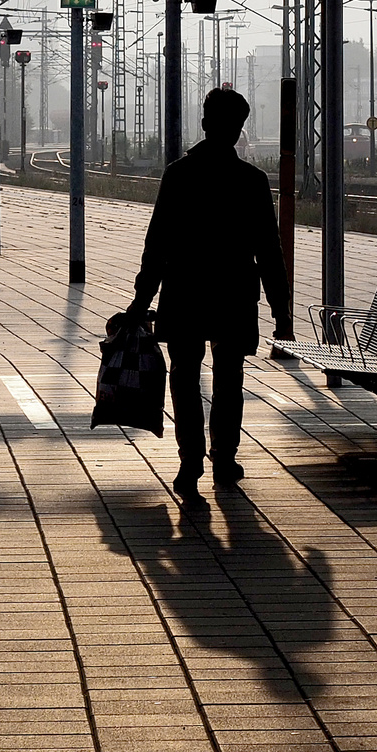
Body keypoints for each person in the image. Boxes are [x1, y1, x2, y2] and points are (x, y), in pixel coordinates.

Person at [127, 88, 293, 494]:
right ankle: (224, 458)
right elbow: (269, 250)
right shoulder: (252, 181)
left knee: (184, 375)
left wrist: (141, 299)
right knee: (229, 376)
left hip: (185, 290)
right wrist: (281, 311)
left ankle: (189, 462)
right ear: (239, 131)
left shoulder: (179, 174)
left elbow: (157, 243)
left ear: (204, 124)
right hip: (234, 294)